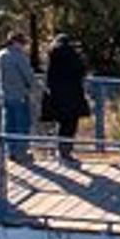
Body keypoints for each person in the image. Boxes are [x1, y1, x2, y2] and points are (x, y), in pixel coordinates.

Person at [42, 33, 89, 165]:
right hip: (72, 95)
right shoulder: (73, 55)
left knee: (60, 123)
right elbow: (82, 71)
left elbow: (48, 76)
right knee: (70, 125)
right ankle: (66, 153)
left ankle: (57, 151)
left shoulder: (51, 55)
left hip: (56, 96)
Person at [0, 31, 35, 163]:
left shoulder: (0, 56)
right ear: (16, 43)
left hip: (5, 95)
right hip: (20, 95)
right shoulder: (19, 57)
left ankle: (10, 151)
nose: (24, 46)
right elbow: (28, 76)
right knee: (22, 124)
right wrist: (31, 86)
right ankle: (21, 152)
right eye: (22, 43)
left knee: (8, 124)